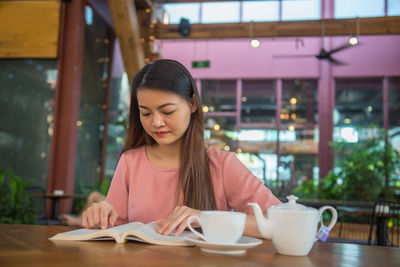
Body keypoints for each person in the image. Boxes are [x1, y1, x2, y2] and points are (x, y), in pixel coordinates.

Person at [82, 59, 281, 237]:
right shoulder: (130, 162)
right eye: (146, 113)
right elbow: (115, 232)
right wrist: (99, 218)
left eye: (167, 111)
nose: (156, 122)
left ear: (193, 104)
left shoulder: (221, 164)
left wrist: (206, 218)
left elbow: (280, 222)